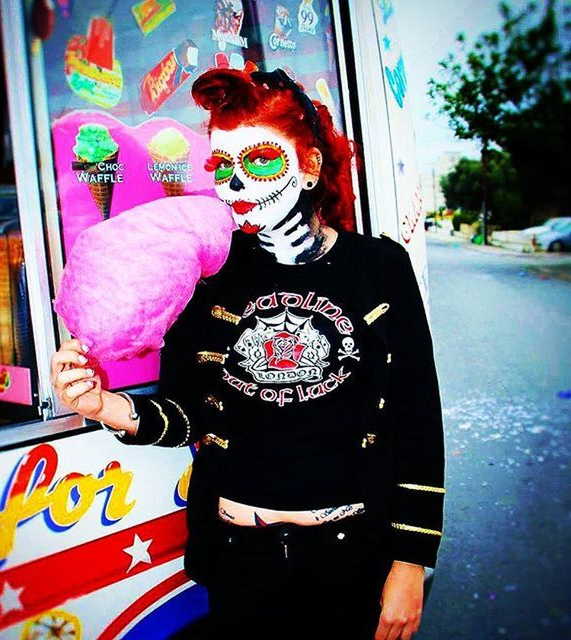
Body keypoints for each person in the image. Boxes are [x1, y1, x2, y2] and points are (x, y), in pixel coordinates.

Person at [50, 68, 446, 639]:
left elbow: (417, 419)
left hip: (352, 560)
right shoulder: (211, 273)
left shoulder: (377, 268)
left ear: (309, 167)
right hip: (241, 561)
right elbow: (185, 412)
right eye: (221, 166)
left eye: (258, 160)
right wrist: (106, 405)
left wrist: (409, 563)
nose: (236, 185)